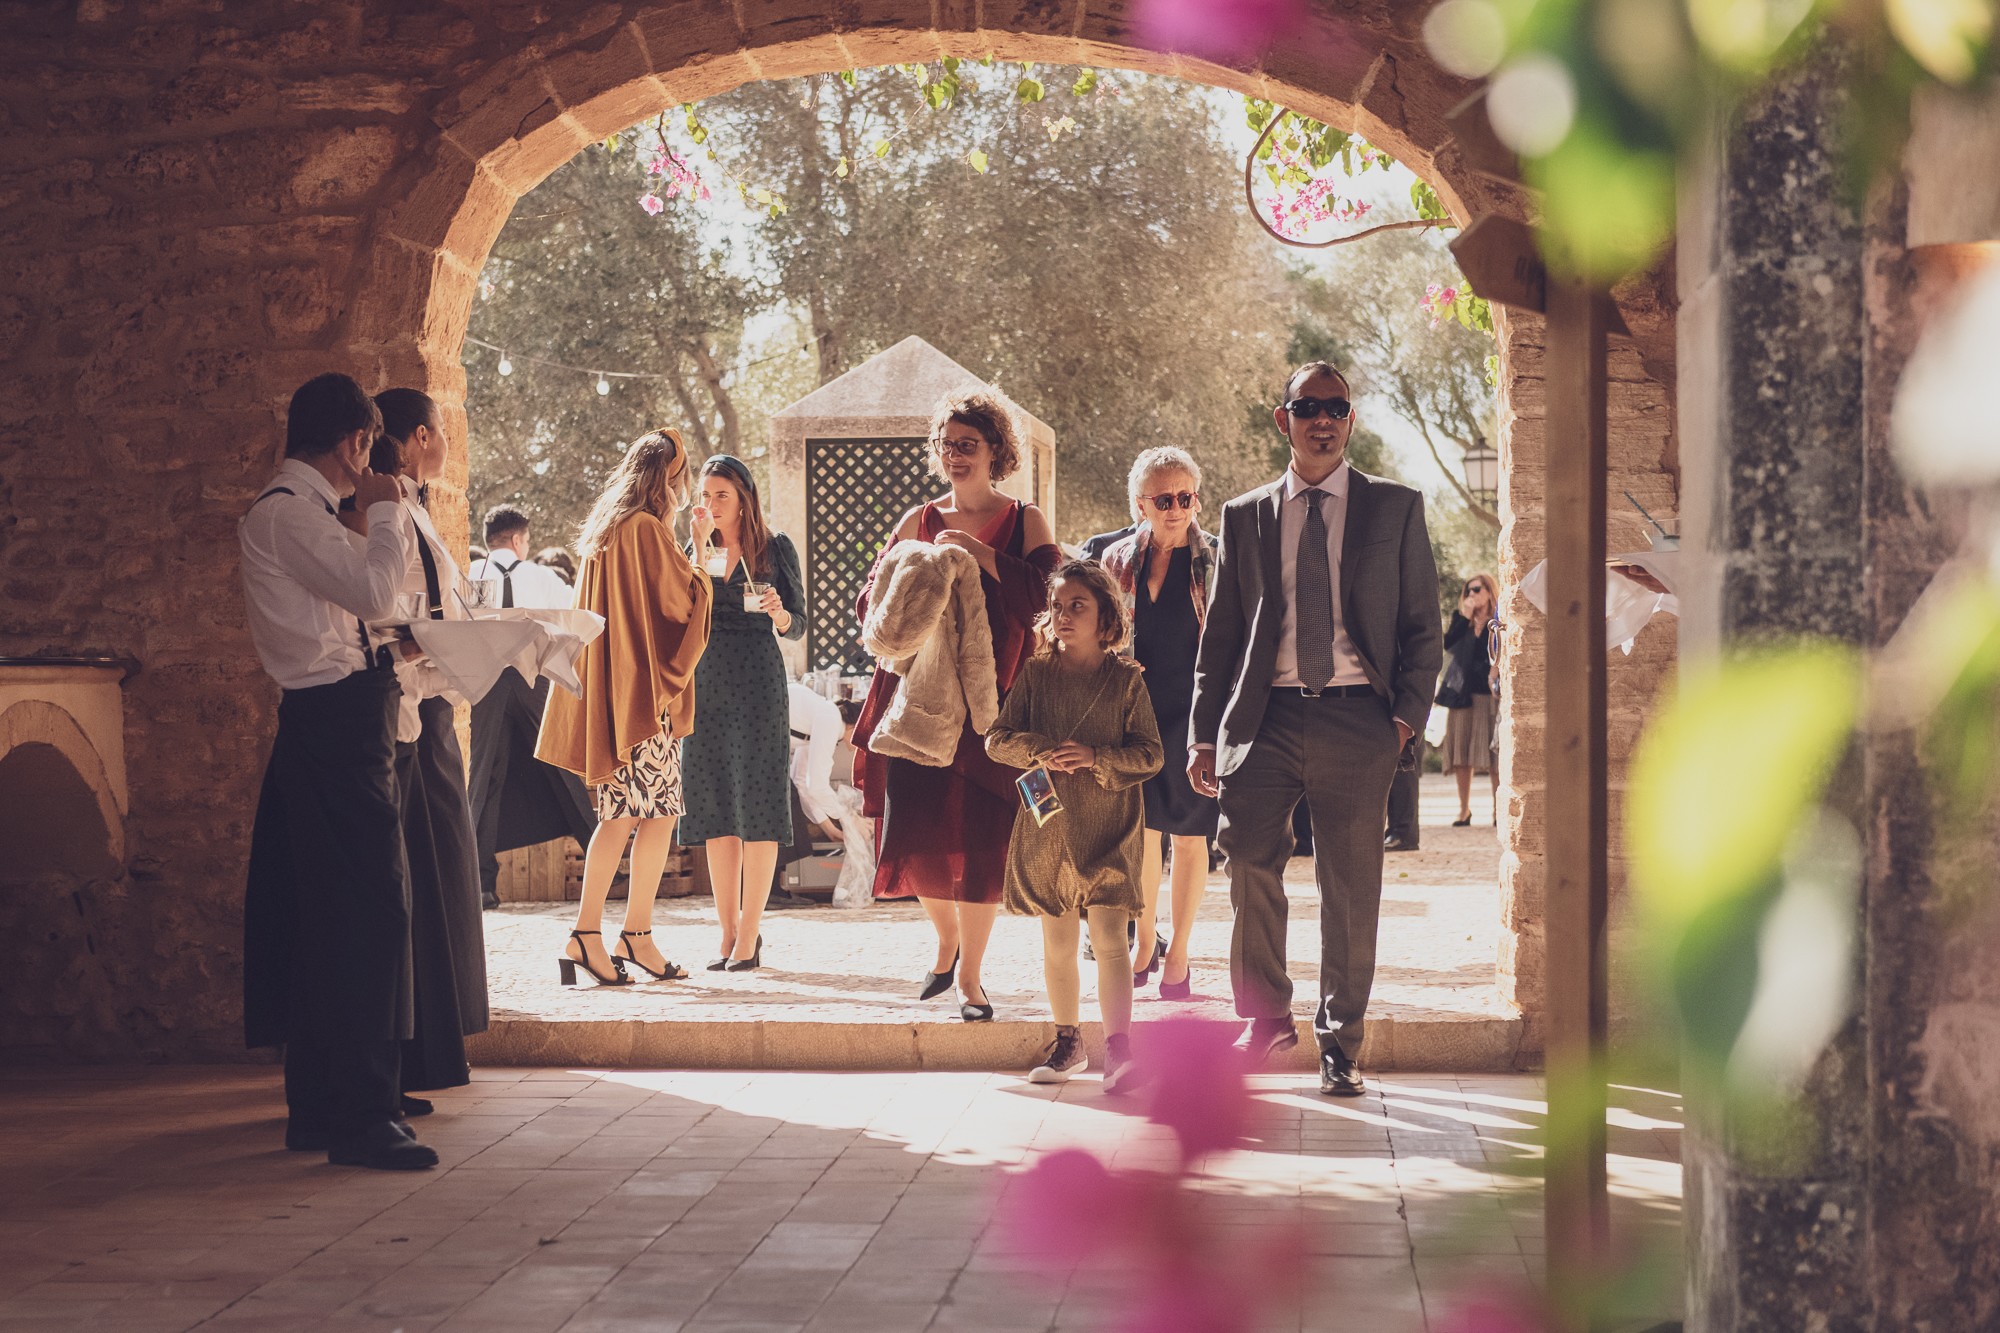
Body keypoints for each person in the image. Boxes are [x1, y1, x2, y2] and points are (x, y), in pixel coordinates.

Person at [1189, 361, 1442, 1098]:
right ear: (1284, 419)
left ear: (1352, 420)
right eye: (1308, 407)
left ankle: (1341, 1042)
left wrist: (1403, 721)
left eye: (1336, 407)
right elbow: (1222, 639)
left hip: (1359, 718)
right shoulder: (1244, 515)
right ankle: (1264, 1014)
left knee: (1351, 888)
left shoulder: (1395, 508)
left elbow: (1423, 627)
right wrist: (1206, 734)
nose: (1323, 420)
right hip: (1263, 720)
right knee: (1247, 869)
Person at [239, 372, 435, 1170]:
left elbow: (347, 618)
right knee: (367, 916)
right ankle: (361, 1113)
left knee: (330, 917)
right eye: (366, 446)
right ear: (355, 442)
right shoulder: (289, 515)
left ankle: (320, 1106)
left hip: (337, 713)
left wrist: (396, 646)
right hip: (335, 724)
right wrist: (387, 508)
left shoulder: (303, 516)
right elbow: (375, 587)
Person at [853, 389, 1061, 1021]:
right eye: (946, 445)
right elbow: (871, 609)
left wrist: (982, 558)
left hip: (996, 708)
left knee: (983, 840)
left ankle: (970, 978)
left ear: (996, 450)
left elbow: (1049, 603)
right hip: (919, 702)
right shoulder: (915, 522)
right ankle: (945, 943)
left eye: (967, 445)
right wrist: (914, 570)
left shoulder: (1025, 521)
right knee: (913, 829)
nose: (955, 456)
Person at [536, 429, 714, 986]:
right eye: (683, 478)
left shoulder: (609, 531)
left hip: (618, 695)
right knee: (636, 815)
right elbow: (686, 600)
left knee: (645, 812)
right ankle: (598, 933)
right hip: (643, 698)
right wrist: (701, 545)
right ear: (669, 478)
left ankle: (625, 933)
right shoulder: (645, 530)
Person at [987, 561, 1162, 1092]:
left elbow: (1150, 754)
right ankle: (1068, 1042)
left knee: (1111, 939)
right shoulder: (1036, 674)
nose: (1063, 616)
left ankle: (1121, 1050)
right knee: (1057, 942)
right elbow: (997, 739)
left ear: (1105, 614)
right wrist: (1040, 751)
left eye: (1077, 606)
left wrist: (1096, 757)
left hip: (1110, 825)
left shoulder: (1127, 680)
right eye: (1058, 607)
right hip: (1050, 831)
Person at [363, 388, 489, 1111]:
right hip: (408, 700)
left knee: (443, 867)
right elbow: (395, 611)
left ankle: (439, 1043)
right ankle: (413, 1050)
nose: (444, 445)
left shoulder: (415, 508)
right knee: (417, 873)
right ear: (417, 437)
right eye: (440, 433)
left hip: (434, 699)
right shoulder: (386, 515)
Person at [1098, 446, 1219, 1000]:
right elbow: (1095, 632)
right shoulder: (1115, 560)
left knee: (1192, 836)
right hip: (1134, 712)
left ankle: (1182, 953)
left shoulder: (1217, 559)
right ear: (1140, 503)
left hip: (1197, 712)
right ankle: (1146, 939)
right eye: (1164, 499)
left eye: (1186, 497)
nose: (1177, 509)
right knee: (1142, 836)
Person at [679, 455, 805, 970]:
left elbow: (797, 626)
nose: (711, 504)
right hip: (706, 684)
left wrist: (778, 612)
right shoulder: (696, 548)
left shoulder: (776, 549)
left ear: (744, 498)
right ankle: (727, 933)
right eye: (704, 495)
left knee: (757, 806)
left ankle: (751, 935)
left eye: (721, 496)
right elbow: (678, 613)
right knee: (715, 808)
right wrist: (693, 543)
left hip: (758, 683)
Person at [466, 505, 595, 910]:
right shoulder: (541, 576)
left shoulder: (469, 575)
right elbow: (576, 620)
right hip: (532, 677)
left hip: (485, 681)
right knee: (561, 764)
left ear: (490, 539)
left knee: (485, 776)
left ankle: (482, 884)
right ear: (520, 540)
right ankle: (601, 860)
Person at [1439, 573, 1500, 827]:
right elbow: (1448, 645)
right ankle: (1464, 810)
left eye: (1476, 589)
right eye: (1468, 591)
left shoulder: (1498, 621)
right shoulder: (1460, 621)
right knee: (1461, 755)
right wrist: (1464, 618)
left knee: (1496, 756)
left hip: (1490, 695)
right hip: (1462, 696)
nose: (1471, 595)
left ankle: (1499, 811)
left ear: (1488, 591)